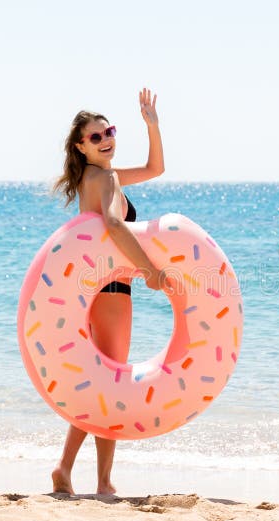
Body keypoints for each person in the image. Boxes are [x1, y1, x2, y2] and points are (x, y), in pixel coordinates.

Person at [49, 88, 170, 495]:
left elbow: (155, 168)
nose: (106, 140)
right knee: (110, 383)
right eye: (96, 137)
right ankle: (79, 472)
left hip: (101, 288)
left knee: (106, 381)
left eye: (109, 132)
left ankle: (86, 475)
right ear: (81, 147)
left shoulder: (101, 176)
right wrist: (149, 270)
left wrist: (152, 125)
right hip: (111, 289)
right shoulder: (101, 177)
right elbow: (116, 226)